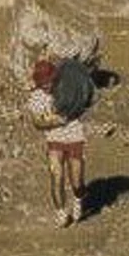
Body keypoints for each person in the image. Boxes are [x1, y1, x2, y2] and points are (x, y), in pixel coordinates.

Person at [27, 57, 88, 226]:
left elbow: (82, 103)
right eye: (43, 82)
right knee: (56, 175)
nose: (46, 86)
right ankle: (61, 212)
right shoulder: (36, 98)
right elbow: (37, 123)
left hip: (74, 135)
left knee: (77, 181)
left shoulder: (67, 89)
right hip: (54, 138)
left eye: (49, 81)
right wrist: (54, 122)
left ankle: (78, 197)